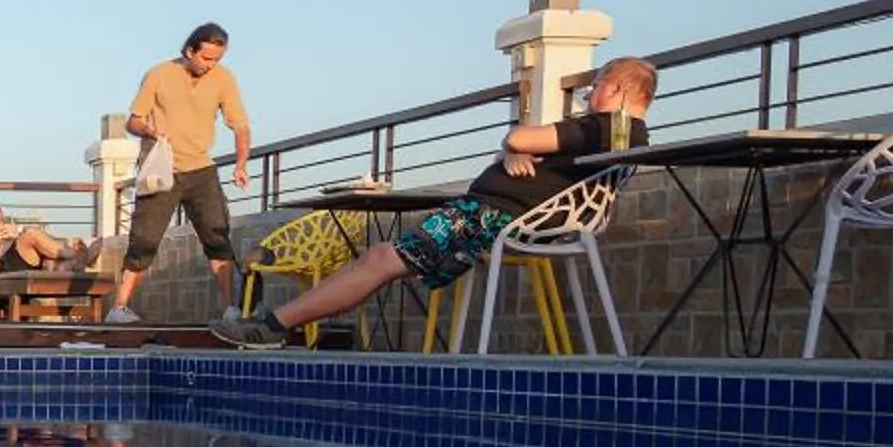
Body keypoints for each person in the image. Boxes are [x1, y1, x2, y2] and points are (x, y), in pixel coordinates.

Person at [213, 57, 658, 348]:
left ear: (617, 89)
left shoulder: (607, 126)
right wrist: (513, 153)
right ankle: (277, 325)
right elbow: (531, 148)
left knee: (381, 258)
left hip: (494, 218)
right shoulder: (612, 129)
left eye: (596, 85)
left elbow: (522, 134)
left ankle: (273, 326)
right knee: (379, 257)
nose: (588, 94)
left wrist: (513, 142)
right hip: (494, 216)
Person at [108, 23, 253, 324]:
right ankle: (119, 308)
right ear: (190, 50)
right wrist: (149, 129)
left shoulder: (223, 79)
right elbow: (132, 122)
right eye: (207, 59)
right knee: (144, 240)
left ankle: (229, 310)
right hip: (162, 169)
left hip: (201, 169)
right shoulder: (159, 74)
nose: (211, 65)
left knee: (218, 237)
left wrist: (241, 163)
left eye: (217, 59)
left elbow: (240, 125)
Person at [0, 200, 93, 276]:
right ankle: (78, 254)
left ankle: (76, 253)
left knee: (33, 235)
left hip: (31, 264)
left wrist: (16, 235)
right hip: (8, 273)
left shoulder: (20, 236)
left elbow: (48, 243)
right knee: (31, 233)